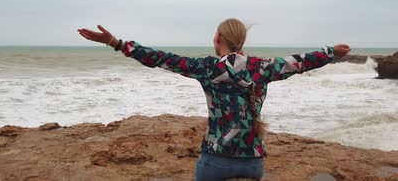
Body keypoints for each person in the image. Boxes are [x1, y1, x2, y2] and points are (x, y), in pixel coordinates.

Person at [78, 18, 350, 181]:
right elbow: (300, 62)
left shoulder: (208, 68)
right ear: (242, 40)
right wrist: (332, 52)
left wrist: (115, 42)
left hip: (215, 161)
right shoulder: (263, 68)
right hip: (253, 162)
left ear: (218, 38)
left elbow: (160, 58)